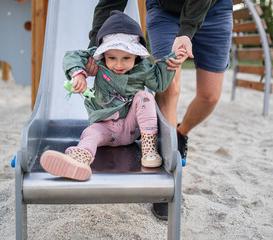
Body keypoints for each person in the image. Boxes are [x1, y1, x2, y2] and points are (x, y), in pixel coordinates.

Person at [87, 0, 233, 220]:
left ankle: (180, 134)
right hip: (166, 11)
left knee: (209, 97)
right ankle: (167, 182)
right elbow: (110, 2)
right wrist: (93, 46)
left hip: (214, 9)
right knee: (168, 86)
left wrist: (187, 31)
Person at [40, 10, 186, 181]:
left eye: (126, 58)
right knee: (90, 133)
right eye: (112, 57)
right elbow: (71, 56)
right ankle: (79, 160)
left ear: (136, 55)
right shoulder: (99, 62)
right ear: (103, 55)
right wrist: (78, 74)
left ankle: (149, 150)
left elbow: (159, 82)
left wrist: (172, 60)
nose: (119, 64)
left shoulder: (143, 69)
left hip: (131, 128)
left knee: (144, 96)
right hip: (104, 127)